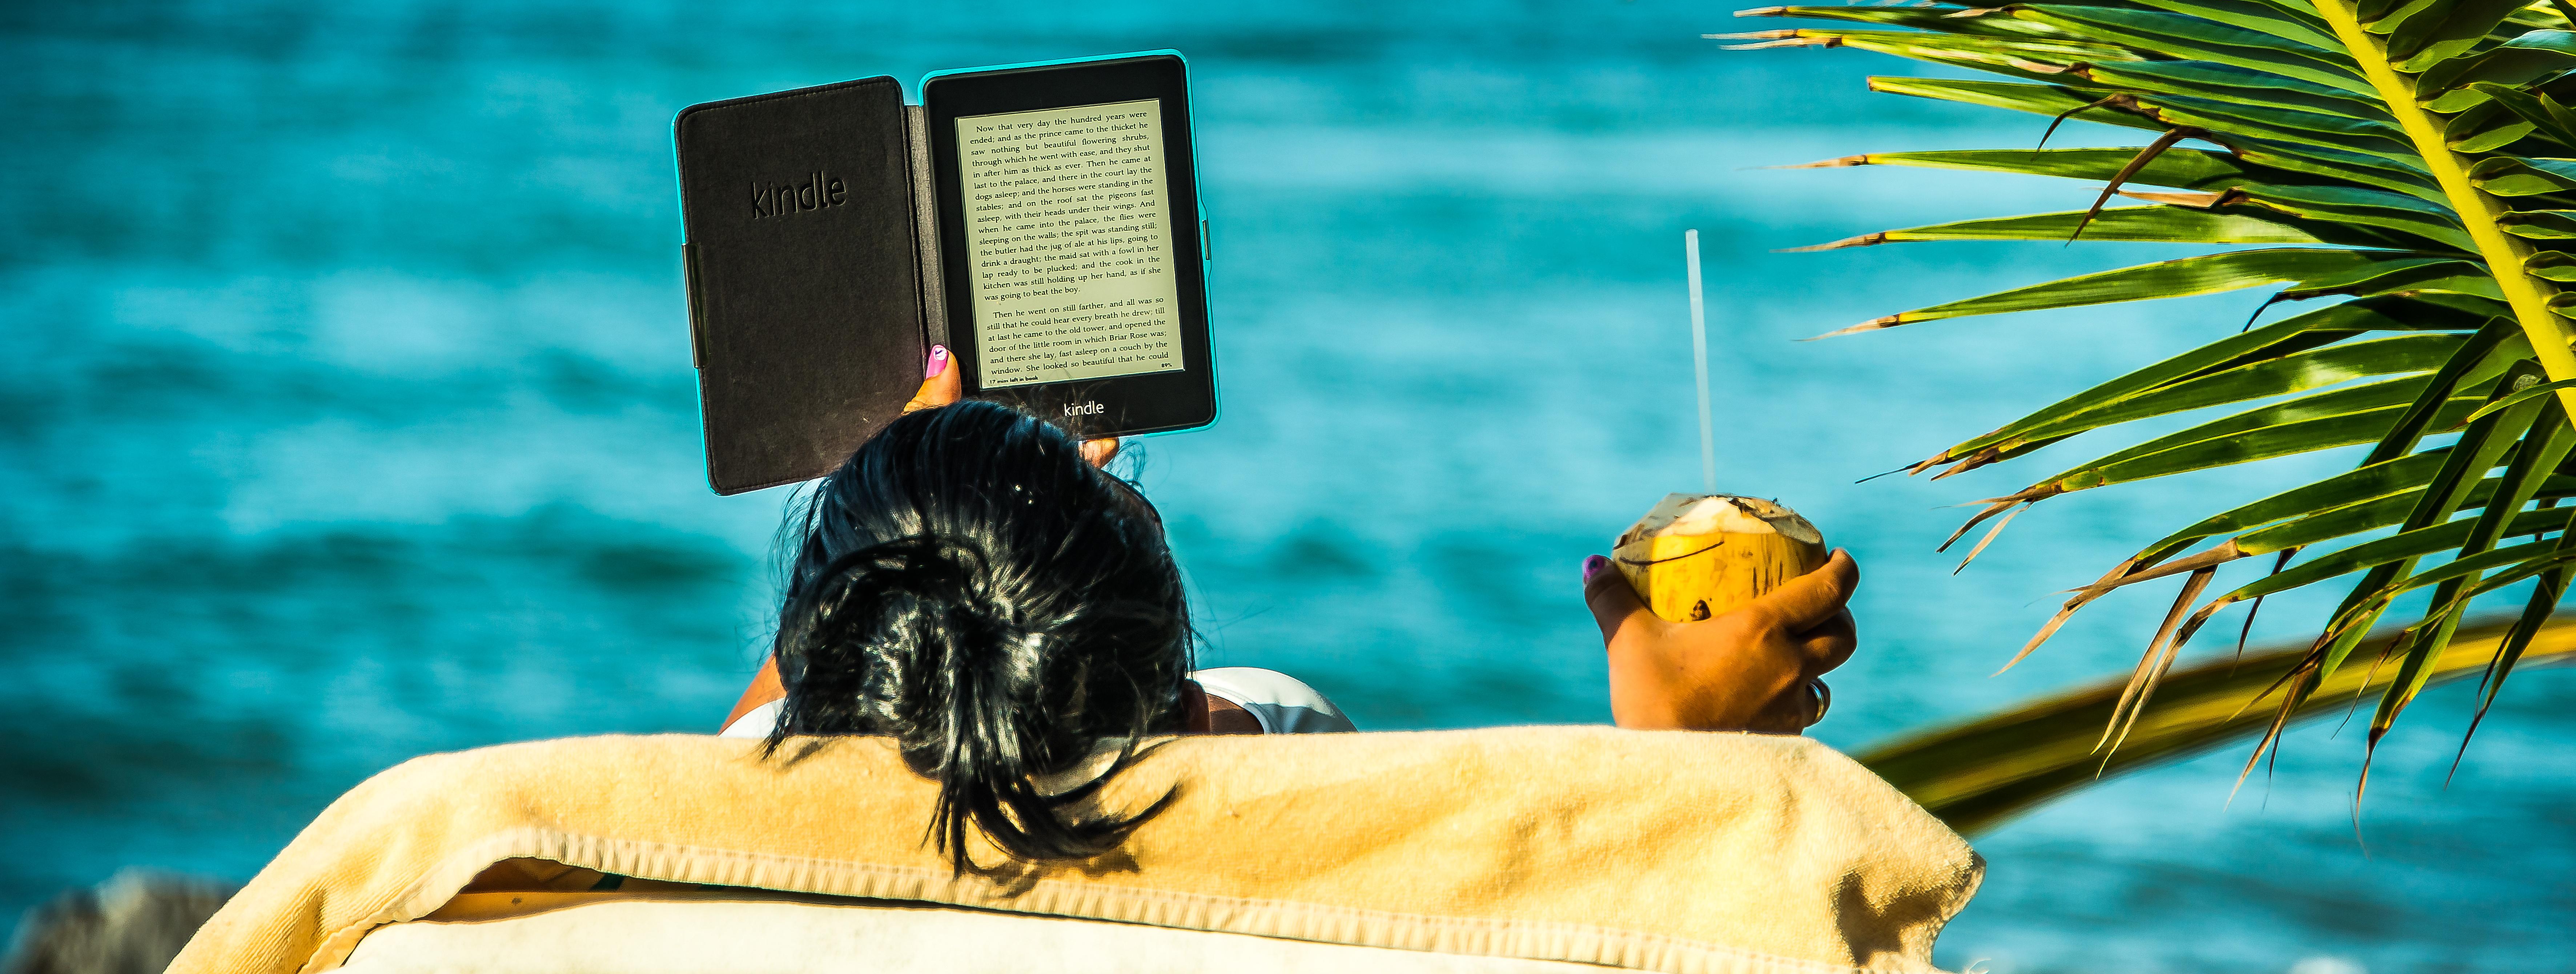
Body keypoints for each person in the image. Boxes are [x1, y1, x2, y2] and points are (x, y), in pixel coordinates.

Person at [720, 347, 1859, 870]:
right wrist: (1697, 761)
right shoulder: (1290, 760)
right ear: (1193, 704)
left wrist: (915, 509)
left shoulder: (706, 846)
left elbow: (785, 725)